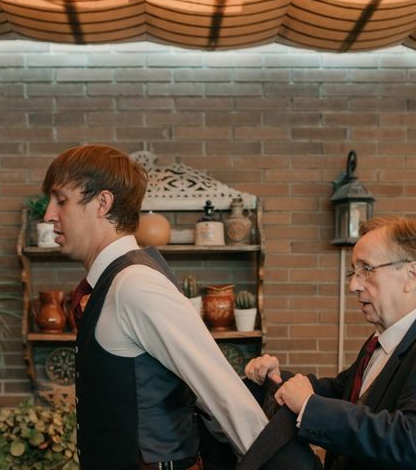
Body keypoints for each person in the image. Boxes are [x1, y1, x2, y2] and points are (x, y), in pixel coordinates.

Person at [41, 143, 268, 470]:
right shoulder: (114, 283)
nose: (49, 215)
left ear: (102, 203)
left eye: (61, 200)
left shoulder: (135, 285)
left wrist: (272, 462)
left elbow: (221, 391)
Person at [244, 215, 416, 470]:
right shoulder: (384, 337)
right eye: (353, 272)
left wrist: (310, 407)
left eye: (366, 270)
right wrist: (279, 380)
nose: (353, 285)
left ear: (411, 275)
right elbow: (343, 392)